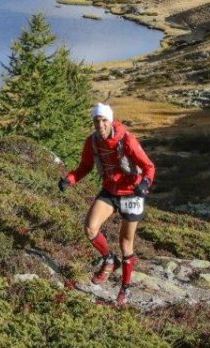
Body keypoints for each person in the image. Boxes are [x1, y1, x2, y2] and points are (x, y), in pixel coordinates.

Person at [59, 103, 156, 307]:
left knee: (125, 243)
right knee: (90, 228)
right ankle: (109, 259)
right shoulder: (92, 141)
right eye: (97, 120)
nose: (100, 124)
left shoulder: (127, 139)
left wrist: (145, 184)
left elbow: (149, 167)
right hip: (110, 191)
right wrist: (69, 179)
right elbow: (85, 166)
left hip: (132, 194)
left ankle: (125, 288)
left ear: (110, 121)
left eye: (104, 120)